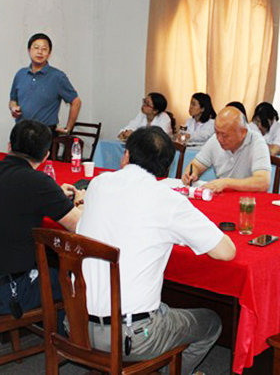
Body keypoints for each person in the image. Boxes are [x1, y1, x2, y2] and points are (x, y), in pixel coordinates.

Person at [77, 126, 236, 375]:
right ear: (166, 168)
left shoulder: (97, 184)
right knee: (212, 322)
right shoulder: (167, 200)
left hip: (77, 324)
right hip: (131, 337)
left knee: (161, 306)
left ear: (126, 155)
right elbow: (226, 252)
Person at [0, 120, 84, 317]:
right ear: (46, 155)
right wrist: (80, 201)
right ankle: (62, 333)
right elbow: (80, 225)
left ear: (9, 146)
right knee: (72, 280)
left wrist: (55, 195)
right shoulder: (38, 183)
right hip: (5, 293)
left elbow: (17, 198)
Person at [182, 107, 271, 193]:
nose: (219, 139)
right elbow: (196, 165)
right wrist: (191, 174)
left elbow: (263, 182)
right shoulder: (215, 139)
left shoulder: (257, 142)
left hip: (247, 199)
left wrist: (227, 183)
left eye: (225, 136)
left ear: (243, 133)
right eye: (217, 132)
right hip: (222, 196)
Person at [9, 33, 82, 135]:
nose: (40, 52)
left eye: (44, 49)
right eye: (36, 48)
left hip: (44, 132)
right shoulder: (20, 74)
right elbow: (13, 100)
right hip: (21, 130)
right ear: (29, 50)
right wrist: (13, 108)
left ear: (49, 53)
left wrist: (68, 128)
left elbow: (76, 102)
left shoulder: (57, 76)